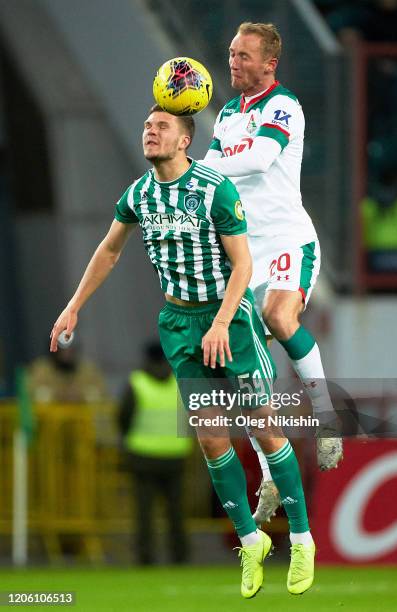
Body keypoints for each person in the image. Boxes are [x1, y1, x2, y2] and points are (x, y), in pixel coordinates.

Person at [49, 104, 315, 598]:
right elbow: (109, 250)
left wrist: (219, 322)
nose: (150, 132)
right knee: (211, 440)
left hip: (228, 319)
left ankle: (301, 539)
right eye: (146, 125)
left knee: (263, 425)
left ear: (184, 139)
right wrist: (73, 306)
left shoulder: (215, 188)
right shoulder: (138, 194)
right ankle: (250, 542)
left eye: (161, 126)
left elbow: (242, 265)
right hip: (178, 324)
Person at [201, 22, 343, 524]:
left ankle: (327, 419)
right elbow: (217, 171)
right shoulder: (226, 114)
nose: (234, 62)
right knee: (245, 365)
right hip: (244, 252)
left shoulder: (282, 105)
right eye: (231, 53)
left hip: (287, 239)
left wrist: (202, 163)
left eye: (243, 56)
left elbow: (260, 159)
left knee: (279, 317)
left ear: (269, 64)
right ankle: (266, 473)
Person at [118, 340, 193, 565]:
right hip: (175, 457)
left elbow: (123, 418)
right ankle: (180, 557)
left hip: (143, 457)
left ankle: (145, 557)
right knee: (176, 513)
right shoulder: (181, 381)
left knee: (144, 513)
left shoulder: (137, 383)